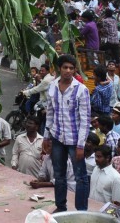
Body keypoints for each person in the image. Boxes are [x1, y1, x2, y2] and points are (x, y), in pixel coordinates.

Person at [42, 54, 91, 213]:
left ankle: (81, 211)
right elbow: (50, 113)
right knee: (59, 175)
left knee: (81, 177)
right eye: (65, 67)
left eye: (71, 68)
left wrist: (81, 145)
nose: (68, 71)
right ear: (59, 68)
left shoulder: (81, 90)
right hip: (57, 138)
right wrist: (46, 137)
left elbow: (85, 120)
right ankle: (61, 207)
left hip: (74, 141)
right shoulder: (52, 86)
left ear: (75, 70)